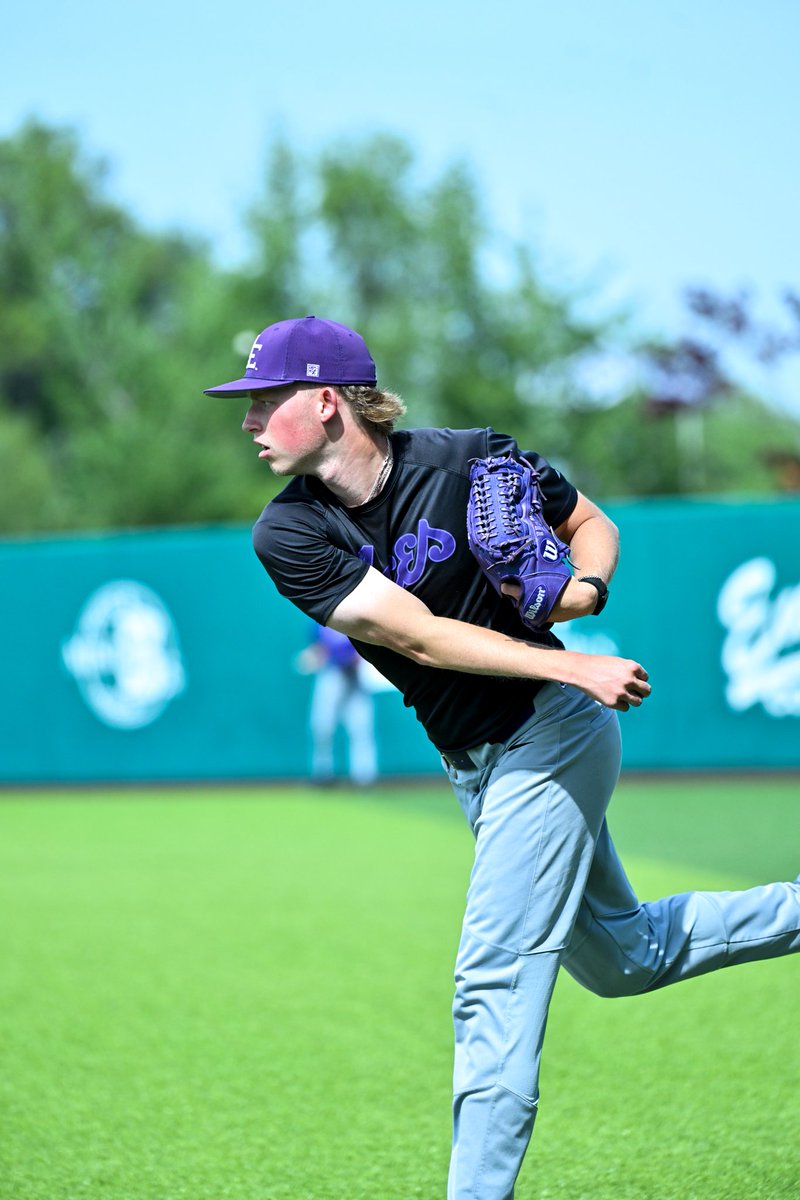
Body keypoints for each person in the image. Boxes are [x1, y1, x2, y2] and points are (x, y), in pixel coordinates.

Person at [204, 315, 799, 1200]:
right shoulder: (288, 532)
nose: (250, 421)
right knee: (624, 958)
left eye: (264, 400)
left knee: (492, 978)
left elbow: (588, 521)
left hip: (549, 732)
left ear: (326, 401)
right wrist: (569, 659)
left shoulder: (468, 460)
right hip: (481, 757)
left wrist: (583, 591)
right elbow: (421, 636)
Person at [296, 622, 378, 787]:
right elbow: (319, 647)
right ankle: (322, 774)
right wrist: (315, 655)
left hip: (356, 675)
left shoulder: (359, 615)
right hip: (331, 672)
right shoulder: (319, 621)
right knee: (322, 726)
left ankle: (364, 777)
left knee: (360, 727)